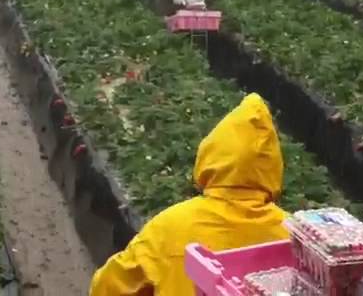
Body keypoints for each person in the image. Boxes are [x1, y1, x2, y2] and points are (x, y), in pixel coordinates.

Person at [89, 94, 290, 295]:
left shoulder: (171, 227)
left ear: (212, 157)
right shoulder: (292, 234)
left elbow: (107, 288)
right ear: (272, 167)